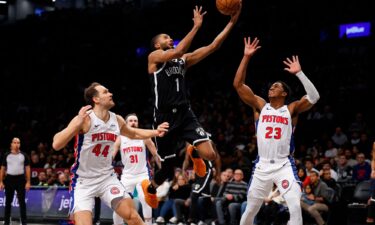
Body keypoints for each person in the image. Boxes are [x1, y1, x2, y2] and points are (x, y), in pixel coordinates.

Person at [144, 4, 241, 209]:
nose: (169, 39)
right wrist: (196, 27)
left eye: (170, 37)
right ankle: (151, 188)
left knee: (211, 155)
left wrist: (232, 21)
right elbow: (179, 48)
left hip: (185, 113)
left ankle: (194, 152)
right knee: (166, 172)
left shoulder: (183, 60)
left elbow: (213, 46)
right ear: (156, 45)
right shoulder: (154, 59)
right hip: (163, 119)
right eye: (165, 37)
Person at [52, 82, 169, 225]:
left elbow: (133, 133)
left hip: (107, 178)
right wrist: (76, 124)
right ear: (96, 99)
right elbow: (56, 144)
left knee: (132, 216)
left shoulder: (116, 119)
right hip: (83, 181)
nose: (110, 94)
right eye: (105, 92)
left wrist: (156, 132)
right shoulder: (85, 119)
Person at [233, 37, 320, 225]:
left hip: (284, 165)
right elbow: (238, 85)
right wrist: (246, 57)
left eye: (277, 86)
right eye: (272, 86)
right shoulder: (260, 106)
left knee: (295, 206)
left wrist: (300, 73)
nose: (272, 87)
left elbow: (314, 96)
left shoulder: (291, 109)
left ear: (284, 93)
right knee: (250, 210)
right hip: (262, 166)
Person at [112, 113, 161, 225]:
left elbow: (156, 155)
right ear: (126, 123)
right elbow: (111, 156)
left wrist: (163, 171)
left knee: (145, 199)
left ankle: (148, 223)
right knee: (119, 203)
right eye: (131, 121)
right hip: (127, 176)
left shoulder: (144, 137)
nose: (133, 123)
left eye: (135, 121)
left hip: (143, 175)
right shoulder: (119, 138)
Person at [0, 137, 31, 225]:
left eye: (18, 143)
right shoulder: (7, 155)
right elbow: (2, 169)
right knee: (8, 202)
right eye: (15, 142)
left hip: (20, 180)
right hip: (9, 179)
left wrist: (28, 182)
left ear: (20, 144)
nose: (16, 144)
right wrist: (1, 181)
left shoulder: (24, 155)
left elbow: (28, 168)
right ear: (11, 144)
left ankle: (24, 222)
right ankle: (6, 222)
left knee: (22, 202)